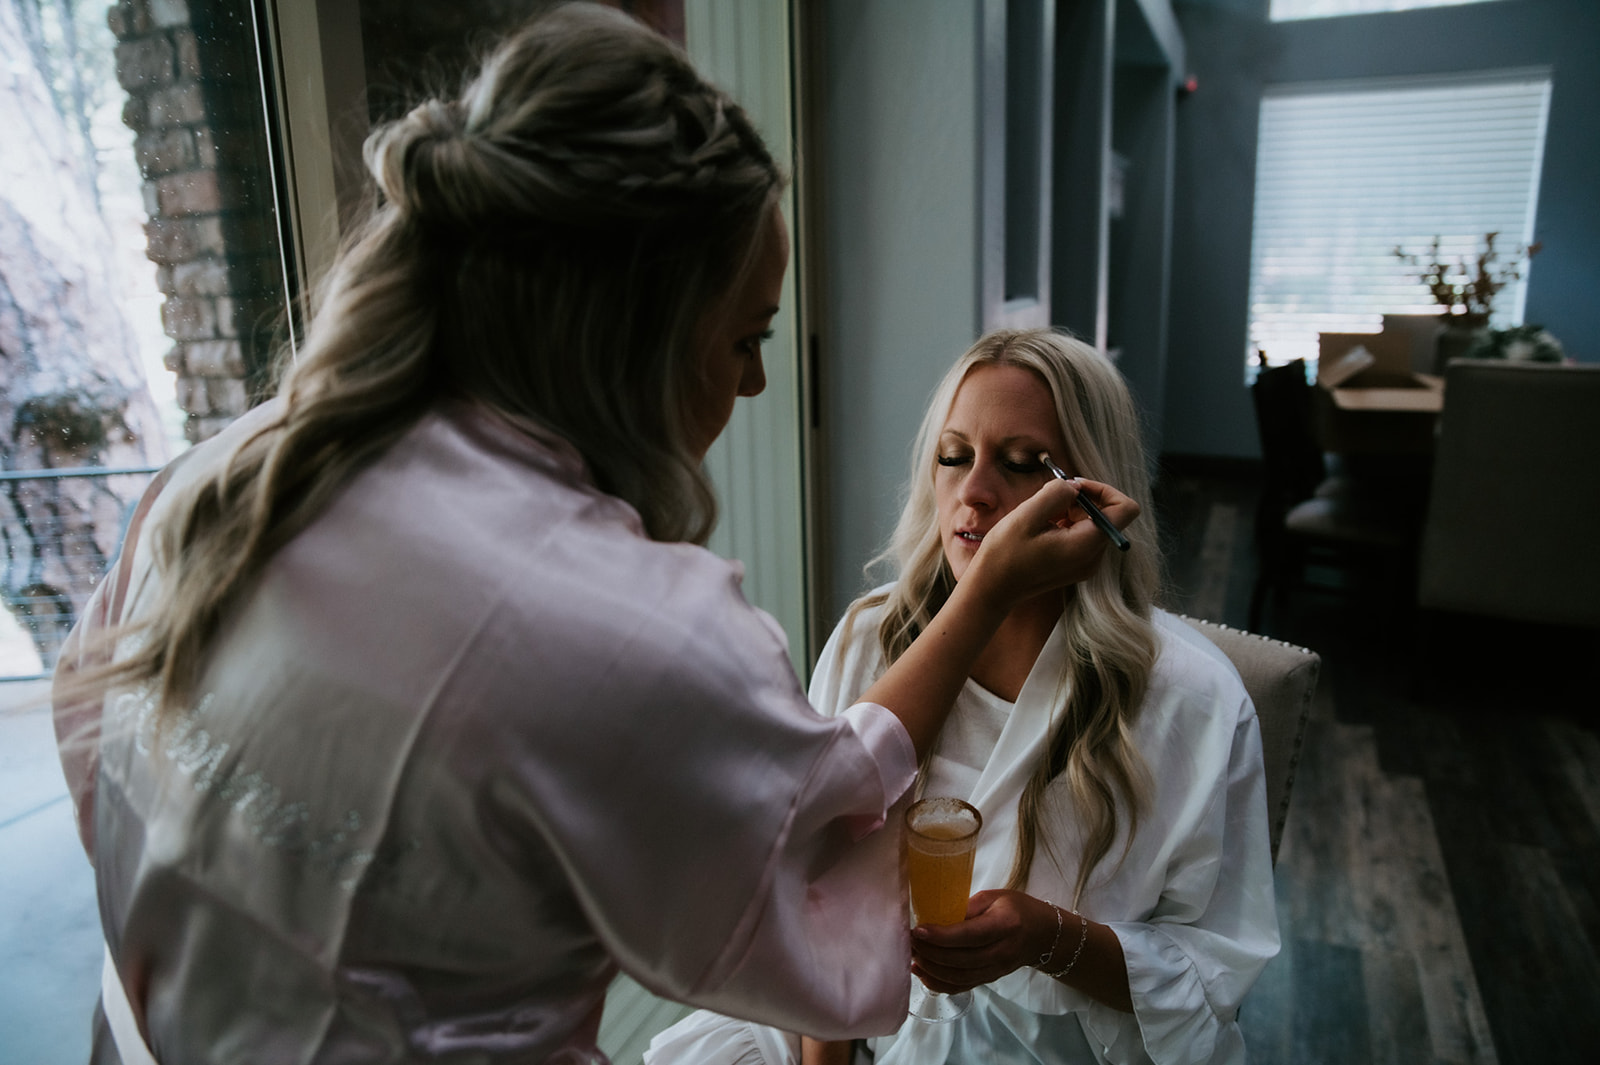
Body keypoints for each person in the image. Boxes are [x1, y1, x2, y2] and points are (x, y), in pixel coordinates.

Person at [49, 9, 1138, 1065]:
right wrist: (985, 598)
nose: (756, 382)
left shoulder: (239, 467)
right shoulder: (620, 625)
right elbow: (806, 859)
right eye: (745, 337)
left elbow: (97, 747)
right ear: (636, 332)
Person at [647, 329, 1278, 1065]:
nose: (973, 492)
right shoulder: (871, 642)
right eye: (953, 456)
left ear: (1089, 493)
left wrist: (1049, 937)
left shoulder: (1189, 703)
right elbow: (814, 892)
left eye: (1018, 464)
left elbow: (1211, 976)